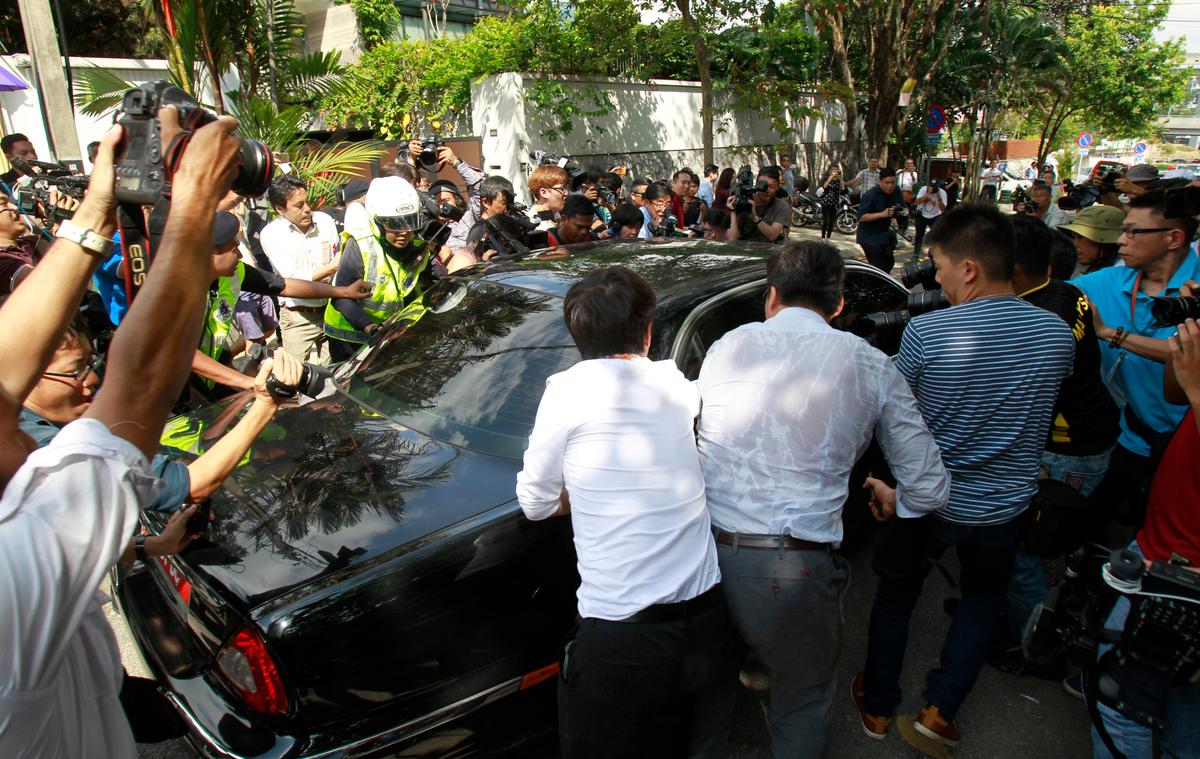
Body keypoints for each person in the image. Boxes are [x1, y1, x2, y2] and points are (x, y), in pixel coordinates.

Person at [0, 108, 246, 757]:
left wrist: (97, 210)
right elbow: (134, 393)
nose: (15, 399)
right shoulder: (12, 573)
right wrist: (190, 203)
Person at [697, 240, 949, 758]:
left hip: (702, 559)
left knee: (708, 698)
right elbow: (929, 487)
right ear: (836, 305)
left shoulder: (727, 346)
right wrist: (893, 498)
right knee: (803, 701)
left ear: (771, 297)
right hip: (793, 571)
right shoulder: (871, 364)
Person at [853, 204, 1074, 751]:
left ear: (970, 268)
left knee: (896, 597)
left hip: (928, 504)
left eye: (939, 264)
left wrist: (888, 487)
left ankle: (878, 708)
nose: (938, 277)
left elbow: (893, 414)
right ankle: (939, 711)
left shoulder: (928, 333)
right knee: (982, 600)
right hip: (1005, 507)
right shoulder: (1056, 334)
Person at [516, 266, 736, 759]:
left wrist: (583, 494)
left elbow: (533, 502)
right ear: (649, 331)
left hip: (622, 635)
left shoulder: (566, 392)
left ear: (576, 335)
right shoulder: (674, 384)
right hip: (705, 620)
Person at [21, 312, 304, 514]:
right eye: (75, 371)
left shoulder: (54, 424)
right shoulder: (40, 452)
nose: (91, 379)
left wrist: (148, 547)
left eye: (90, 364)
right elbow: (191, 485)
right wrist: (267, 403)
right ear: (23, 377)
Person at [1002, 215, 1120, 656]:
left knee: (1030, 550)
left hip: (1068, 452)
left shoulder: (1035, 324)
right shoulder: (1069, 292)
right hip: (1092, 435)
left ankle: (1034, 643)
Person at [1090, 310, 1200, 759]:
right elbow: (1177, 394)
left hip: (1179, 577)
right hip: (1161, 549)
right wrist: (1185, 351)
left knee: (1121, 705)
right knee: (1179, 708)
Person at [1069, 190, 1200, 538]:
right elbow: (1052, 296)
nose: (1121, 241)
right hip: (1133, 436)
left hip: (1188, 448)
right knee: (1095, 526)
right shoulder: (1108, 281)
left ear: (1174, 238)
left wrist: (1110, 334)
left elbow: (1183, 353)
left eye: (1133, 232)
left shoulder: (1195, 291)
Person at [192, 211, 369, 392]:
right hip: (180, 388)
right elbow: (185, 354)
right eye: (233, 250)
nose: (239, 255)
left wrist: (343, 291)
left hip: (208, 379)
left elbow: (284, 286)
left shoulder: (236, 273)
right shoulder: (181, 293)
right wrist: (247, 382)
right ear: (210, 254)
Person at [324, 177, 434, 362]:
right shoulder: (360, 245)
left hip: (387, 333)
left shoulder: (419, 248)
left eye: (410, 222)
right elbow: (341, 297)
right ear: (378, 222)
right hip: (348, 334)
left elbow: (419, 290)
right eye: (396, 225)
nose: (404, 233)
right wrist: (370, 327)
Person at [259, 174, 342, 366]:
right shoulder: (272, 235)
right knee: (294, 373)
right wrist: (332, 267)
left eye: (307, 202)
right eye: (298, 205)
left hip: (331, 309)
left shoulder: (325, 221)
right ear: (280, 209)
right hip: (299, 316)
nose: (307, 209)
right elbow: (293, 280)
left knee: (334, 369)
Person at [856, 167, 906, 274]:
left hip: (884, 233)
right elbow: (861, 218)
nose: (890, 186)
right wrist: (882, 214)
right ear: (880, 182)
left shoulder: (896, 190)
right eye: (887, 183)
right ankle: (875, 287)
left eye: (892, 182)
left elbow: (903, 207)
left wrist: (903, 212)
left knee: (889, 263)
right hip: (868, 236)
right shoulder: (871, 195)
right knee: (878, 267)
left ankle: (883, 283)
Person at [726, 167, 789, 243]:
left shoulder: (781, 206)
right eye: (762, 185)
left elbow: (773, 235)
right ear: (756, 183)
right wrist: (732, 211)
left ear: (777, 187)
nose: (766, 190)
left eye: (771, 186)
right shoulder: (743, 200)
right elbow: (732, 238)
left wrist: (755, 218)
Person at [1059, 204, 1122, 277]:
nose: (1075, 243)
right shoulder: (1097, 270)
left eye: (1080, 237)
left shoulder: (1118, 274)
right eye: (1073, 236)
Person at [0, 197, 36, 296]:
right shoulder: (3, 261)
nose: (15, 208)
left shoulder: (30, 242)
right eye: (4, 204)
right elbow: (42, 284)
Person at [912, 178, 947, 255]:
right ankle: (916, 253)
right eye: (931, 186)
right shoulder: (923, 189)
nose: (933, 188)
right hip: (922, 214)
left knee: (936, 235)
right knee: (919, 234)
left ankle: (934, 253)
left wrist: (939, 197)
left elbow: (943, 209)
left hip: (935, 215)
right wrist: (927, 193)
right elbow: (917, 202)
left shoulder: (942, 192)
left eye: (935, 187)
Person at [528, 164, 570, 228]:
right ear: (544, 192)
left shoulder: (557, 216)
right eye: (562, 189)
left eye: (566, 188)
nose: (566, 193)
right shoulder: (535, 225)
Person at [819, 163, 843, 239]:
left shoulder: (839, 180)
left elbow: (843, 190)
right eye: (833, 170)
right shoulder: (826, 178)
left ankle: (828, 237)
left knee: (832, 222)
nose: (835, 172)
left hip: (834, 203)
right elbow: (824, 187)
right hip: (825, 202)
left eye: (836, 170)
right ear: (830, 171)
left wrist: (841, 179)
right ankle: (823, 237)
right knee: (826, 221)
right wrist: (831, 177)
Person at [897, 158, 919, 237]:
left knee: (906, 210)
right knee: (899, 210)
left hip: (908, 193)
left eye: (910, 164)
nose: (908, 165)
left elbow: (915, 181)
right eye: (907, 163)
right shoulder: (901, 171)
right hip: (900, 192)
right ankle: (900, 226)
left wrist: (911, 173)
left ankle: (904, 228)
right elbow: (895, 175)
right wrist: (903, 170)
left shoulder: (914, 173)